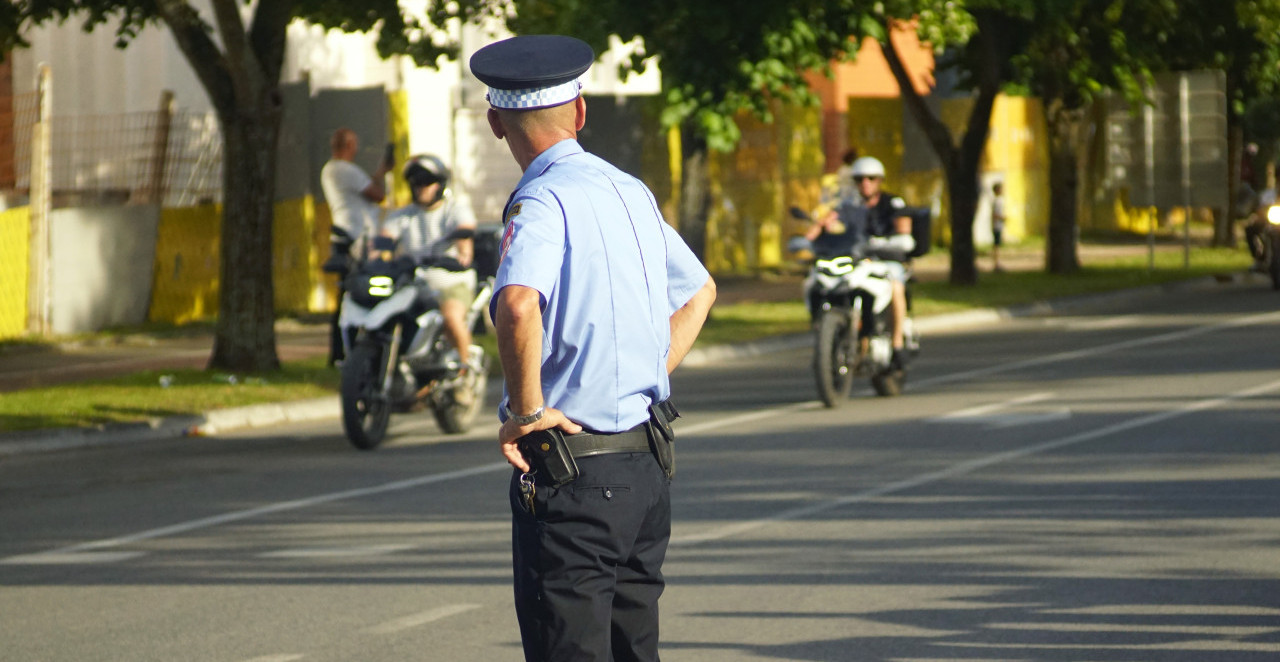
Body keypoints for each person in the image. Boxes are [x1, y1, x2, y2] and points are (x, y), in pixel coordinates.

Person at [471, 34, 717, 662]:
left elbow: (518, 303)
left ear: (497, 123)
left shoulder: (542, 197)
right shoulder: (630, 190)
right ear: (580, 113)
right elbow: (699, 293)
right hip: (644, 465)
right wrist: (637, 373)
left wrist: (526, 415)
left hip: (575, 475)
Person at [804, 155, 915, 368]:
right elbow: (826, 221)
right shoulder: (848, 206)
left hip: (885, 259)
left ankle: (897, 343)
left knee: (896, 287)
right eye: (860, 179)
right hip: (857, 259)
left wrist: (894, 241)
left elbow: (904, 231)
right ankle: (827, 343)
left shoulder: (892, 203)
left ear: (879, 180)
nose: (865, 183)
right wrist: (810, 238)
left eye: (871, 178)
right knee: (823, 283)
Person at [383, 154, 480, 396]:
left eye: (426, 181)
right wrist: (373, 258)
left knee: (450, 316)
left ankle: (465, 374)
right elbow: (383, 242)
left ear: (440, 184)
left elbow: (464, 234)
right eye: (415, 182)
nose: (420, 187)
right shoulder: (402, 215)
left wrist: (462, 251)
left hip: (451, 279)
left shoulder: (455, 208)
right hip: (415, 283)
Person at [320, 128, 393, 365]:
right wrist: (383, 176)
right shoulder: (346, 169)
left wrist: (380, 171)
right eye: (355, 143)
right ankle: (347, 351)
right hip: (355, 241)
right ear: (348, 145)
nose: (358, 148)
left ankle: (340, 353)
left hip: (344, 237)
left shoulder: (331, 170)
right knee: (358, 294)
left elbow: (367, 188)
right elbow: (377, 194)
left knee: (345, 295)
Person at [991, 181, 1006, 272]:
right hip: (997, 225)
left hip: (998, 225)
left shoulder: (998, 201)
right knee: (996, 246)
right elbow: (995, 215)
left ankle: (997, 263)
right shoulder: (996, 202)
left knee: (997, 245)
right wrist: (1003, 218)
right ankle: (996, 264)